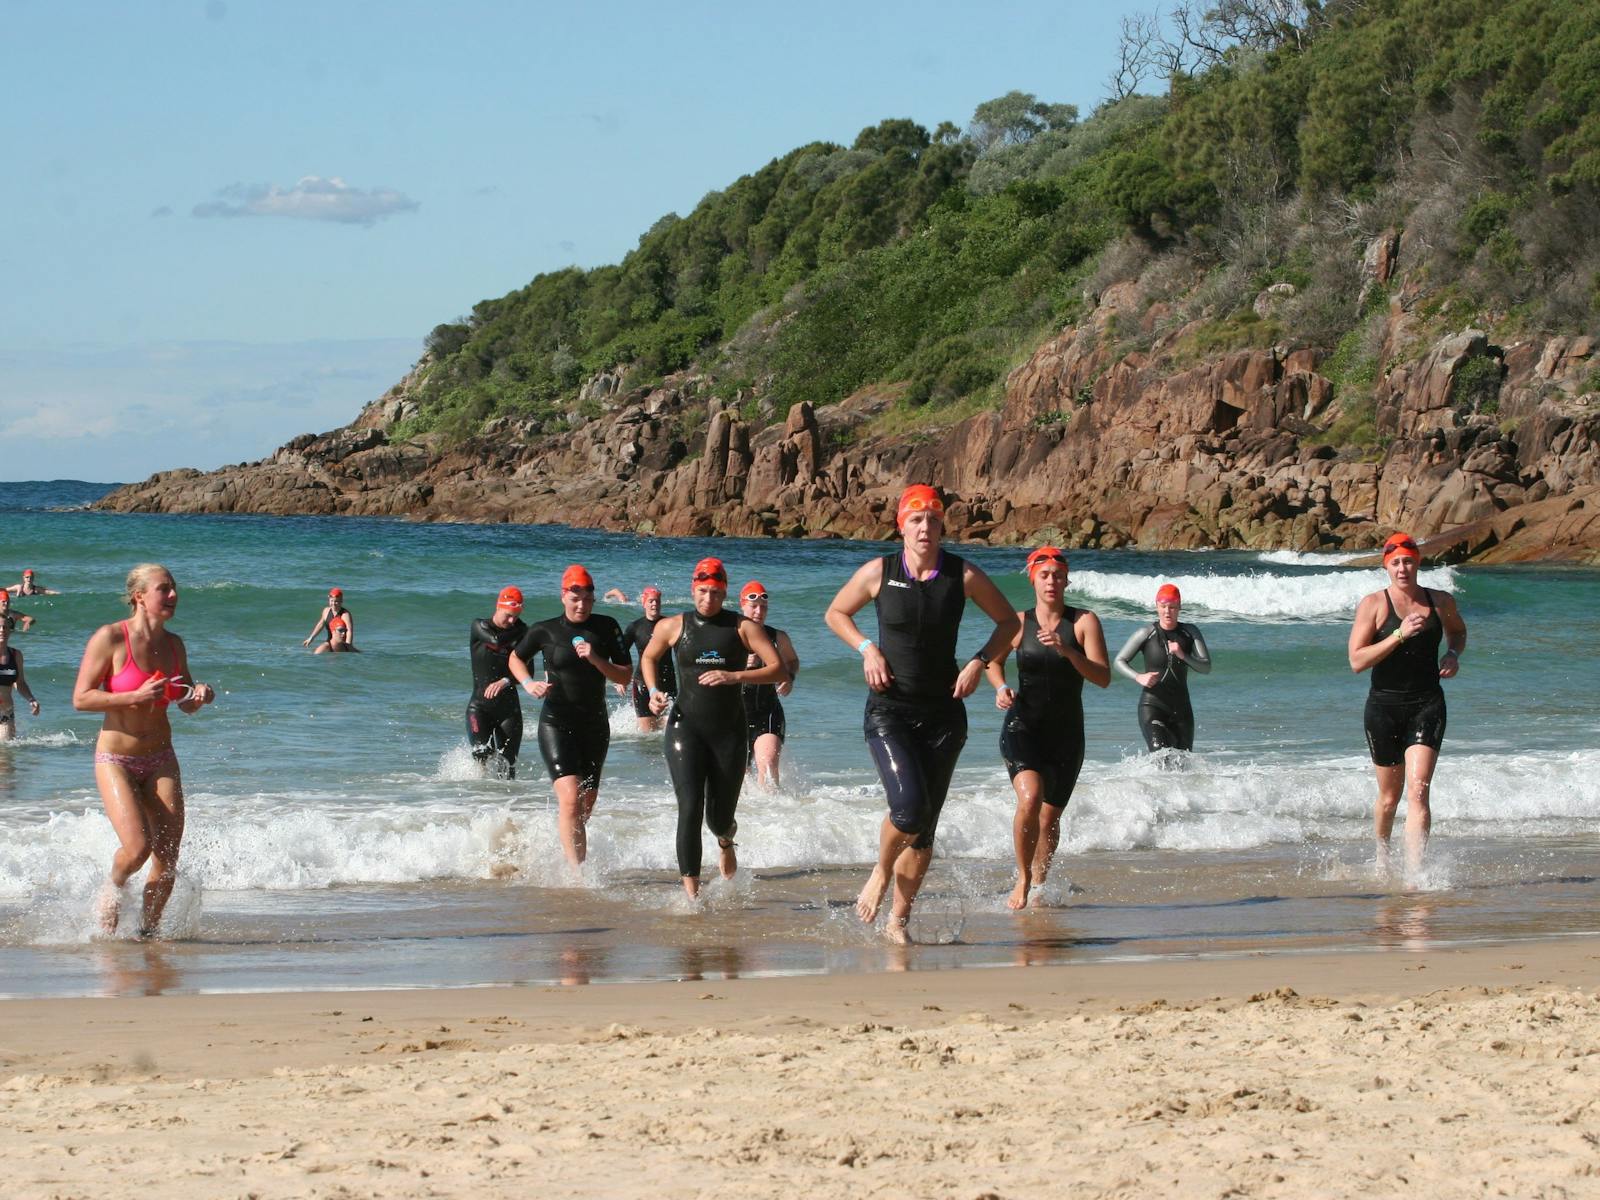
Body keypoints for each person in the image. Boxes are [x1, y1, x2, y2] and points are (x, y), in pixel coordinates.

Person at [824, 484, 1019, 942]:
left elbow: (1009, 624)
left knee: (925, 828)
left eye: (932, 520)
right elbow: (836, 614)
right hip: (889, 709)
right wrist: (867, 649)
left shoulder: (963, 575)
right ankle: (880, 870)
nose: (925, 527)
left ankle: (899, 920)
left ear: (942, 525)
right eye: (916, 520)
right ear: (901, 526)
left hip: (945, 716)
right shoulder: (879, 572)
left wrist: (978, 662)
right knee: (908, 808)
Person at [70, 563, 215, 937]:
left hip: (161, 758)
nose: (173, 595)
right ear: (139, 596)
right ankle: (113, 886)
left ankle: (146, 935)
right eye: (163, 589)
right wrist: (133, 696)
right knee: (137, 849)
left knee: (167, 856)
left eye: (174, 588)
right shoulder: (110, 638)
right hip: (116, 759)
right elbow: (81, 698)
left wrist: (198, 697)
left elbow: (182, 700)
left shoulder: (173, 645)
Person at [640, 557, 785, 901]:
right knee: (689, 806)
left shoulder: (742, 628)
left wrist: (735, 676)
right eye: (703, 592)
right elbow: (648, 658)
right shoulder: (673, 626)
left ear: (725, 592)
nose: (709, 599)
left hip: (729, 733)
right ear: (693, 589)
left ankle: (725, 839)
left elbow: (780, 670)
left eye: (716, 592)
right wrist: (653, 692)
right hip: (684, 727)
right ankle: (692, 895)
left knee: (719, 819)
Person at [985, 546, 1110, 910]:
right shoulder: (1018, 623)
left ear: (1066, 580)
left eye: (1058, 575)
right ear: (1033, 580)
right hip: (1024, 725)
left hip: (1067, 734)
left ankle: (1040, 883)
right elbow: (992, 662)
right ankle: (1023, 878)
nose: (1052, 581)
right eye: (1044, 575)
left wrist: (1068, 653)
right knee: (1030, 797)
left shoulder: (1084, 622)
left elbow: (1102, 676)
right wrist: (1000, 687)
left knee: (1050, 818)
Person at [1348, 531, 1466, 877]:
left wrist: (1453, 653)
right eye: (1396, 562)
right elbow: (1356, 660)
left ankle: (1415, 875)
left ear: (1418, 563)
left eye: (1408, 561)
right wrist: (1399, 635)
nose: (1403, 568)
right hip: (1383, 708)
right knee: (1389, 798)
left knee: (1418, 791)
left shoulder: (1439, 601)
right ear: (1387, 566)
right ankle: (1382, 857)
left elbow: (1458, 631)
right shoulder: (1374, 604)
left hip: (1427, 704)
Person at [508, 565, 633, 868]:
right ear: (563, 596)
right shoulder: (544, 630)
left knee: (584, 806)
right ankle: (578, 876)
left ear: (593, 598)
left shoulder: (607, 627)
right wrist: (528, 683)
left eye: (587, 599)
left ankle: (561, 852)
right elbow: (515, 658)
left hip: (594, 725)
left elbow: (625, 675)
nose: (581, 605)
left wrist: (595, 658)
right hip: (556, 723)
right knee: (570, 799)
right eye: (574, 598)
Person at [1114, 583, 1211, 753]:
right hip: (1152, 705)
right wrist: (1138, 677)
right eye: (1163, 606)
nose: (1167, 611)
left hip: (1182, 709)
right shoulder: (1146, 633)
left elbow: (1206, 667)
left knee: (1183, 764)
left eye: (1172, 607)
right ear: (1157, 606)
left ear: (1179, 606)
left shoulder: (1190, 632)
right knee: (1160, 753)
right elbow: (1119, 661)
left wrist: (1183, 655)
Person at [738, 580, 800, 788]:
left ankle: (773, 812)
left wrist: (789, 677)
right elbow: (709, 671)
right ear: (742, 606)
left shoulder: (777, 637)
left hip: (768, 711)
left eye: (763, 607)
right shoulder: (730, 637)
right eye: (753, 606)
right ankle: (749, 816)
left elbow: (792, 661)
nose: (758, 611)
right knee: (739, 777)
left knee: (768, 762)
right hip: (733, 715)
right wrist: (739, 663)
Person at [466, 586, 529, 777]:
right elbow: (495, 641)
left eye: (516, 617)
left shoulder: (521, 632)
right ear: (498, 606)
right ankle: (478, 800)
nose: (512, 621)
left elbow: (529, 670)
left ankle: (506, 805)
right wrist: (525, 631)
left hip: (508, 710)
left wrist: (504, 681)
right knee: (481, 753)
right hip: (479, 708)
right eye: (509, 615)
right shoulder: (479, 626)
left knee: (508, 766)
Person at [621, 586, 676, 734]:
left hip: (668, 681)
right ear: (644, 603)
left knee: (668, 731)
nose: (654, 604)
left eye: (657, 601)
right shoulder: (635, 627)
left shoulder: (669, 624)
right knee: (648, 734)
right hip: (642, 684)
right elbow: (621, 652)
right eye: (651, 601)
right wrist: (620, 679)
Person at [0, 617, 40, 741]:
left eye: (5, 627)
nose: (2, 630)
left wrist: (31, 699)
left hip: (5, 713)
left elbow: (20, 682)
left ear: (10, 631)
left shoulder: (16, 655)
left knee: (5, 755)